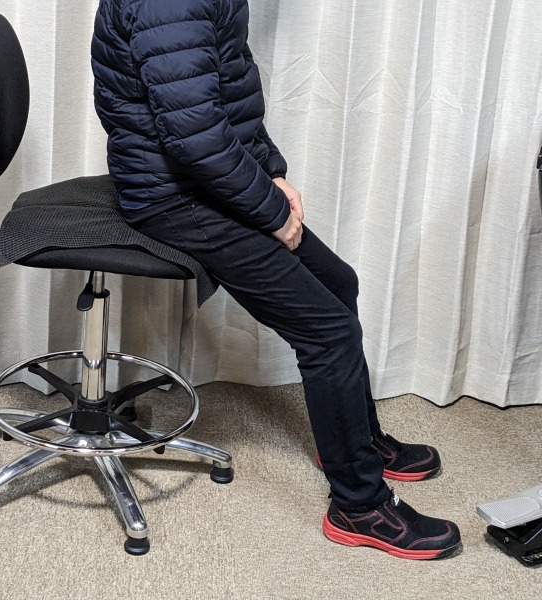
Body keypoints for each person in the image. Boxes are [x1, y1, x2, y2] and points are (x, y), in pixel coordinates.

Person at [91, 0, 461, 559]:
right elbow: (195, 138)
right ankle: (359, 506)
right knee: (329, 333)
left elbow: (228, 94)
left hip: (202, 182)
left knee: (339, 283)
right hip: (174, 197)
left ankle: (358, 444)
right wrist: (269, 211)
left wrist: (273, 174)